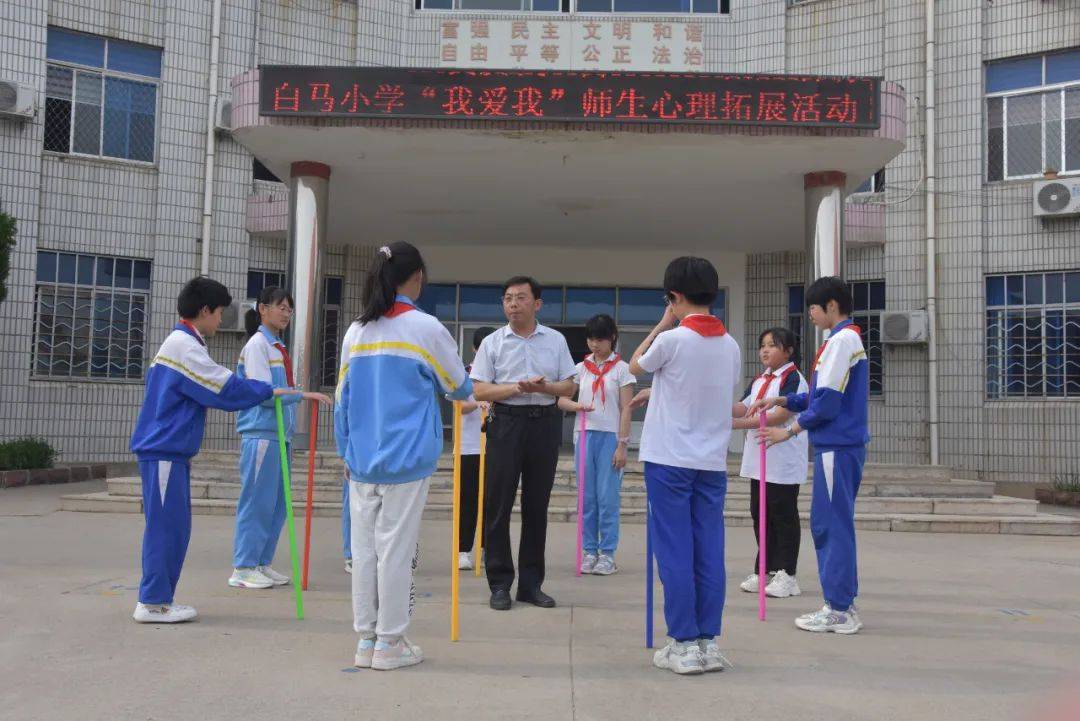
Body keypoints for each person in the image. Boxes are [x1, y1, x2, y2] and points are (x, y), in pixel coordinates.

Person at [129, 276, 308, 623]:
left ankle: (159, 599)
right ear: (205, 310)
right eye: (220, 312)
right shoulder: (184, 346)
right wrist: (272, 392)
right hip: (164, 449)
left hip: (172, 451)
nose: (221, 320)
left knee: (175, 527)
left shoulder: (186, 343)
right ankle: (152, 602)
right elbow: (223, 388)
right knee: (166, 528)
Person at [335, 241, 472, 671]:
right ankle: (391, 642)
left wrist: (346, 451)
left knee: (365, 551)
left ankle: (366, 641)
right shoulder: (425, 327)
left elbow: (342, 398)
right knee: (396, 551)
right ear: (416, 277)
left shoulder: (356, 331)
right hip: (407, 459)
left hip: (361, 460)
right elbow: (459, 386)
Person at [628, 257, 740, 675]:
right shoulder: (730, 345)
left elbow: (634, 365)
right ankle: (708, 641)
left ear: (673, 296)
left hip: (670, 459)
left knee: (674, 550)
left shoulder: (672, 340)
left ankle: (683, 642)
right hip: (711, 462)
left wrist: (661, 323)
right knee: (709, 549)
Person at [748, 276, 870, 635]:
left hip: (837, 446)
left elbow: (828, 404)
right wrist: (784, 399)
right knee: (829, 523)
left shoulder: (842, 340)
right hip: (839, 447)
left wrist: (789, 430)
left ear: (831, 306)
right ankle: (841, 603)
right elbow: (818, 396)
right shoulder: (843, 340)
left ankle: (839, 609)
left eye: (814, 309)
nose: (812, 316)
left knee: (831, 525)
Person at [470, 276, 576, 611]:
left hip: (544, 425)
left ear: (537, 304)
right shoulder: (493, 343)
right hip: (506, 424)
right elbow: (479, 390)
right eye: (507, 298)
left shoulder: (555, 340)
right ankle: (499, 583)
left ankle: (531, 585)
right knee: (498, 505)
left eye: (520, 298)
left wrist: (542, 389)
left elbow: (569, 387)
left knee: (536, 507)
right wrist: (517, 387)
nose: (513, 304)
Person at [230, 287, 332, 589]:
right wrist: (302, 395)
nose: (286, 313)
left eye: (289, 309)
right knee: (257, 501)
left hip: (279, 435)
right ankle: (244, 566)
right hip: (262, 434)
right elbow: (262, 394)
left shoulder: (277, 348)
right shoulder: (258, 345)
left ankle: (261, 562)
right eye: (281, 307)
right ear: (263, 309)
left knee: (277, 504)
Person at [730, 327, 809, 599]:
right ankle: (765, 568)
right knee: (760, 514)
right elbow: (743, 406)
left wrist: (734, 424)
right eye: (762, 345)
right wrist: (716, 406)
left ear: (788, 350)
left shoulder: (792, 378)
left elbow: (778, 415)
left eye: (772, 345)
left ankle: (788, 573)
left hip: (782, 458)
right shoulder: (761, 379)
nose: (765, 350)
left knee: (783, 516)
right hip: (758, 458)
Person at [557, 314, 635, 576]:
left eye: (600, 339)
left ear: (612, 337)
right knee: (587, 498)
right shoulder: (580, 369)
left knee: (607, 498)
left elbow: (626, 409)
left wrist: (622, 445)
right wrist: (577, 405)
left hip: (610, 437)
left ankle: (608, 554)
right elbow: (561, 400)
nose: (594, 344)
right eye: (591, 339)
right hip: (585, 435)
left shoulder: (622, 369)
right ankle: (589, 550)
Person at [458, 326, 496, 571]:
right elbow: (460, 406)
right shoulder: (463, 374)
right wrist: (478, 402)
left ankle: (488, 549)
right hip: (469, 447)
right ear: (474, 349)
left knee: (492, 501)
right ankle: (463, 550)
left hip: (495, 447)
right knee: (467, 499)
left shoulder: (501, 375)